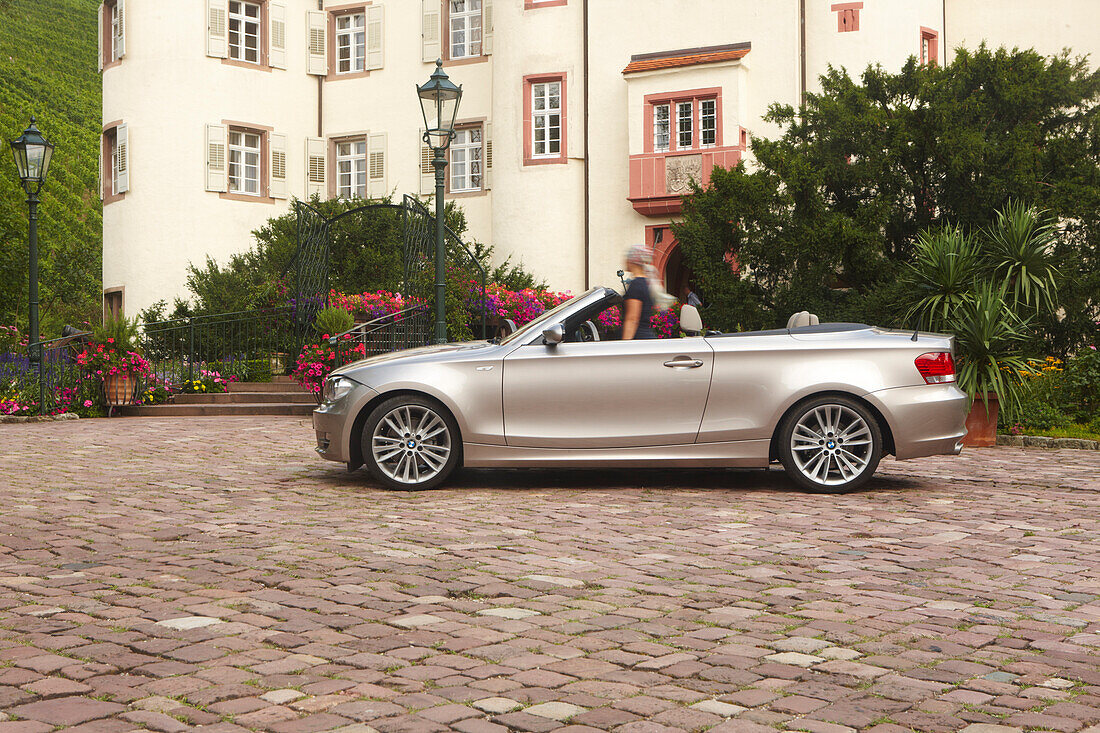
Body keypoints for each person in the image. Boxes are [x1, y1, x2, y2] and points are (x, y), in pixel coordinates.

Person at [620, 245, 670, 340]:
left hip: (638, 340)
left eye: (627, 257)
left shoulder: (636, 285)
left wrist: (625, 346)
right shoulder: (646, 283)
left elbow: (632, 319)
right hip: (645, 338)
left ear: (632, 261)